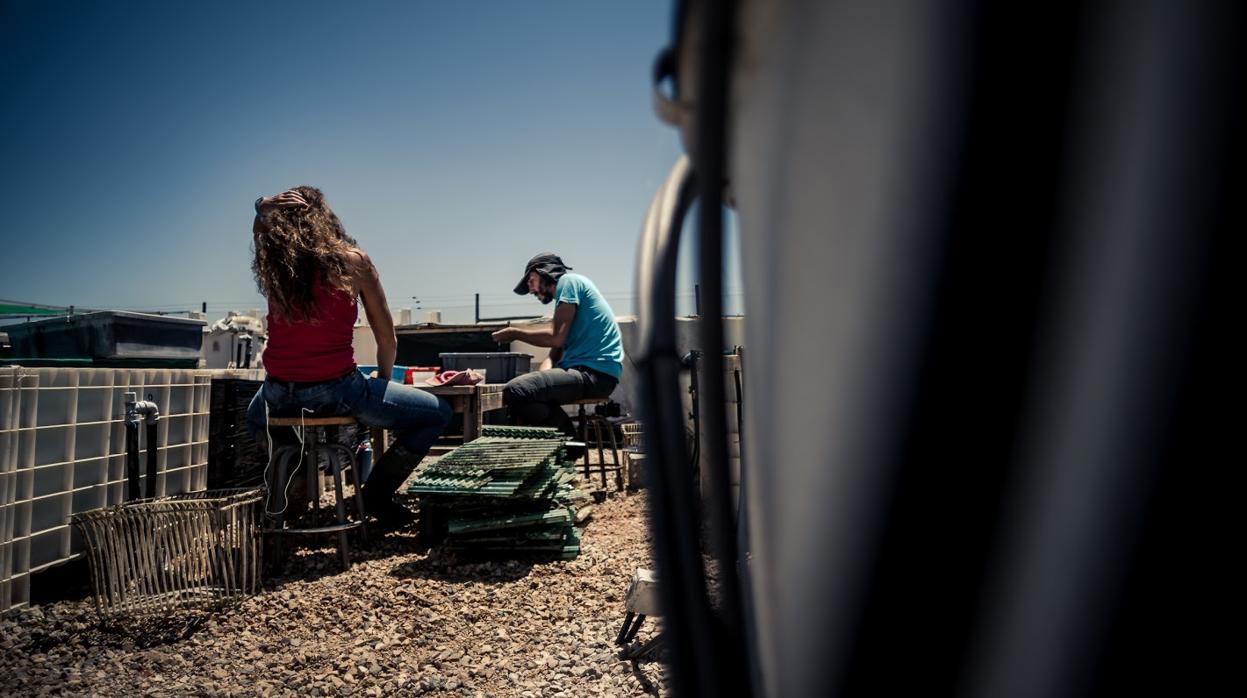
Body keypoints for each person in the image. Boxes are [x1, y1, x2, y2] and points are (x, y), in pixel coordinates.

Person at [245, 186, 450, 528]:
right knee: (437, 414)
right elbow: (386, 336)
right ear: (325, 220)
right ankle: (375, 496)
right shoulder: (353, 263)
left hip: (278, 393)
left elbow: (259, 227)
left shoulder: (275, 266)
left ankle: (294, 463)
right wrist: (382, 384)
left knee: (255, 416)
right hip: (337, 390)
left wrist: (261, 206)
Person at [491, 253, 623, 435]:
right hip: (593, 374)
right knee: (527, 391)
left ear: (544, 272)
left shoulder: (568, 283)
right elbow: (554, 353)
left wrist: (516, 333)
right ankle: (562, 444)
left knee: (516, 390)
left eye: (530, 281)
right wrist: (541, 380)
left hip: (594, 374)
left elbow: (555, 338)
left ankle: (570, 444)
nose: (530, 290)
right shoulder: (567, 301)